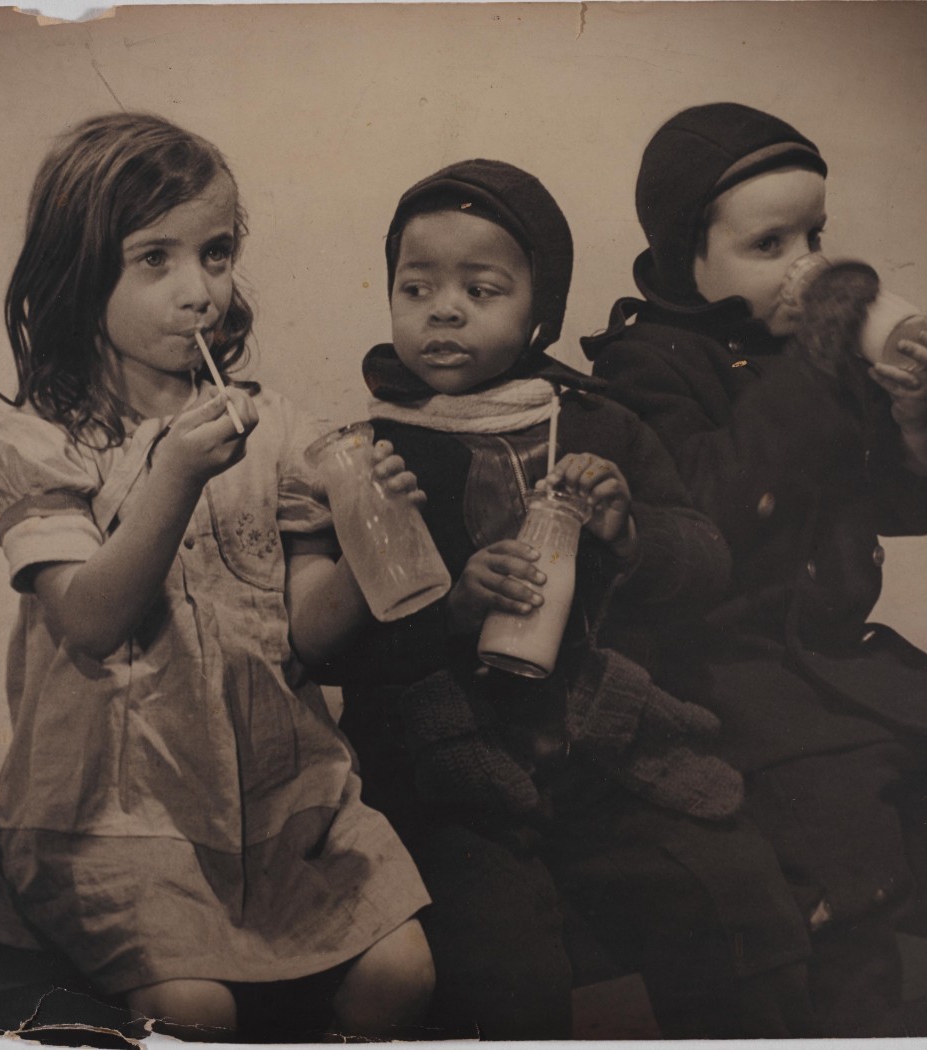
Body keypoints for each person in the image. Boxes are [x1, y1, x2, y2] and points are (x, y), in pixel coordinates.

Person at [582, 102, 927, 1035]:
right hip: (733, 679)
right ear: (681, 256)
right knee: (846, 877)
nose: (808, 265)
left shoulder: (813, 357)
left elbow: (904, 509)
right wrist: (814, 370)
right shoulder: (644, 366)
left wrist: (911, 420)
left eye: (815, 235)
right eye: (770, 243)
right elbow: (709, 519)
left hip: (844, 656)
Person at [0, 113, 434, 1043]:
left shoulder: (278, 428)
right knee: (192, 1011)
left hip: (280, 799)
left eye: (215, 255)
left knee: (404, 976)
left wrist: (378, 539)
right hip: (119, 814)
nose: (199, 292)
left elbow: (310, 635)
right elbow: (91, 621)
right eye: (155, 260)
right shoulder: (39, 446)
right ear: (79, 270)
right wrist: (173, 476)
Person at [316, 158, 814, 1040]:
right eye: (416, 284)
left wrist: (630, 533)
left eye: (482, 288)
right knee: (499, 965)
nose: (443, 309)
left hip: (603, 749)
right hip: (448, 772)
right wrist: (453, 611)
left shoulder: (597, 422)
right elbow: (334, 650)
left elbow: (707, 562)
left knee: (732, 893)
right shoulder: (374, 453)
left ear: (540, 306)